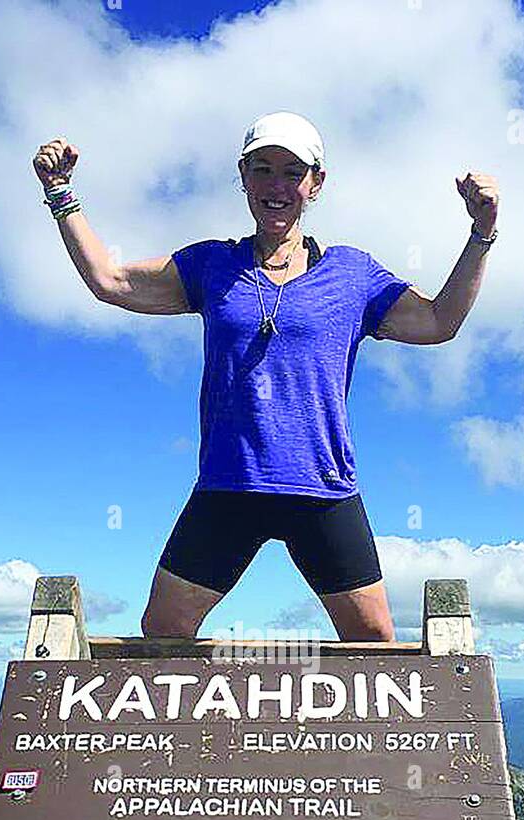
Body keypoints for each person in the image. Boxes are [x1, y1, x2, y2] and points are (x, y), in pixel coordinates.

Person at [32, 112, 498, 640]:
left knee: (374, 648)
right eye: (263, 170)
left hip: (323, 487)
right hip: (231, 482)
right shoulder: (211, 266)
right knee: (164, 633)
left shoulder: (352, 274)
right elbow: (109, 280)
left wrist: (481, 234)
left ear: (315, 184)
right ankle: (203, 730)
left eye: (292, 172)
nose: (277, 186)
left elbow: (439, 321)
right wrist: (60, 193)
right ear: (244, 176)